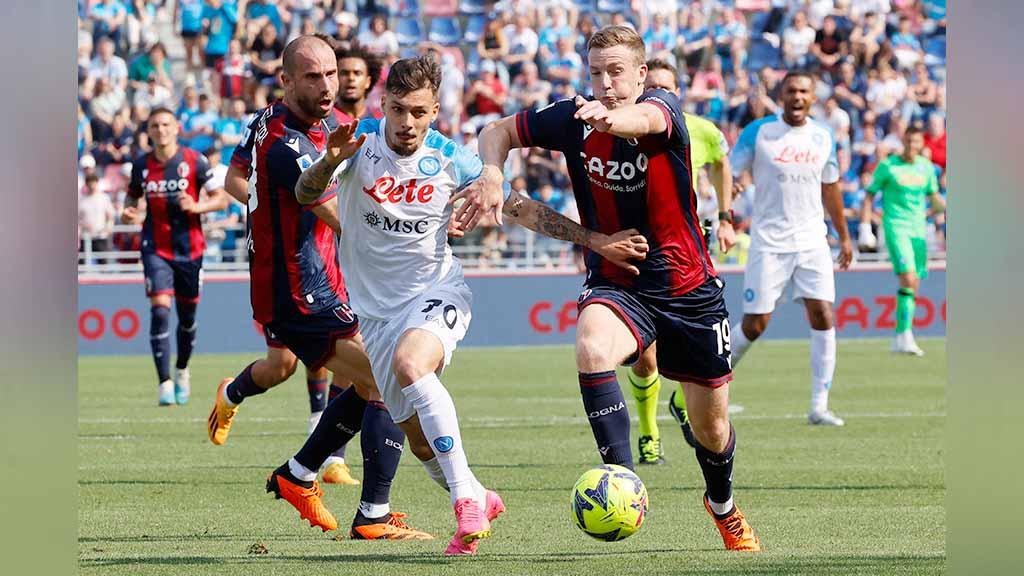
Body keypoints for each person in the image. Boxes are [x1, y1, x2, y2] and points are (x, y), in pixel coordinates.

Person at [275, 53, 647, 555]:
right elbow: (304, 193)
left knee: (412, 364)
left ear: (435, 112)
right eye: (400, 109)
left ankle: (464, 505)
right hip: (375, 312)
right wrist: (328, 162)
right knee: (420, 440)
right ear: (383, 102)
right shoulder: (355, 141)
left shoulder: (452, 158)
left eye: (420, 112)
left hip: (435, 291)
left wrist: (596, 241)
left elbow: (521, 209)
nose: (408, 123)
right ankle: (477, 494)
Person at [465, 25, 760, 551]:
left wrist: (613, 117)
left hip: (688, 287)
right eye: (596, 72)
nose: (605, 83)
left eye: (616, 72)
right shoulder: (572, 118)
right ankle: (622, 480)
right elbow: (497, 131)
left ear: (641, 74)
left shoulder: (663, 111)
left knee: (712, 431)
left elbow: (642, 118)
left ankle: (723, 507)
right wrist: (491, 171)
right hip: (617, 282)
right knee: (592, 346)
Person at [206, 36, 429, 537]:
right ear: (285, 81)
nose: (328, 85)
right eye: (313, 76)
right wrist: (404, 235)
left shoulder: (311, 125)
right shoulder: (288, 142)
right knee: (388, 382)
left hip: (315, 281)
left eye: (331, 74)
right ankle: (368, 513)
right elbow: (332, 209)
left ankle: (300, 474)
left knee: (371, 380)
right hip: (299, 290)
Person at [728, 71, 854, 427]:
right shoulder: (759, 133)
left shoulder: (822, 136)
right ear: (781, 95)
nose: (797, 97)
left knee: (823, 313)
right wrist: (733, 191)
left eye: (804, 91)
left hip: (812, 240)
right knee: (755, 324)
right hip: (769, 241)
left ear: (813, 98)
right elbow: (733, 172)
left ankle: (819, 405)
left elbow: (830, 188)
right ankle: (710, 381)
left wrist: (844, 237)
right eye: (791, 91)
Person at [626, 58, 736, 464]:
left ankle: (680, 398)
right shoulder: (625, 129)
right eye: (651, 85)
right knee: (645, 354)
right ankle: (649, 432)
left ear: (678, 92)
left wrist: (725, 217)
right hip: (639, 250)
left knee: (698, 349)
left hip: (687, 252)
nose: (658, 93)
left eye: (666, 87)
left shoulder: (701, 130)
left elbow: (723, 165)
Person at [121, 107, 228, 406]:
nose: (161, 130)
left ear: (176, 128)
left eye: (166, 124)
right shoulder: (141, 165)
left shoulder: (195, 161)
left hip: (190, 249)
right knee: (159, 311)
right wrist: (128, 212)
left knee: (187, 319)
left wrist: (197, 207)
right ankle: (164, 383)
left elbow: (220, 199)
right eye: (155, 125)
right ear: (149, 131)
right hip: (155, 247)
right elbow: (132, 199)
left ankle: (181, 370)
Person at [861, 126, 944, 355]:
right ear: (903, 141)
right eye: (908, 141)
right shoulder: (888, 166)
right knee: (907, 276)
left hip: (919, 230)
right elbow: (869, 195)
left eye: (916, 142)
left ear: (921, 144)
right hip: (897, 227)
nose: (912, 146)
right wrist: (865, 226)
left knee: (913, 283)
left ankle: (901, 336)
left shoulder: (926, 167)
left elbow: (933, 196)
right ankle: (905, 336)